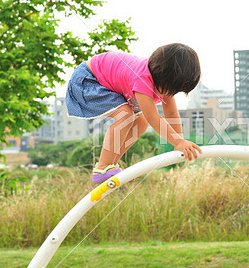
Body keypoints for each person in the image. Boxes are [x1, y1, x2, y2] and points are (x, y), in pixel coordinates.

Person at [65, 43, 203, 183]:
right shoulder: (142, 78)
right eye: (170, 89)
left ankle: (110, 164)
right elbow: (153, 117)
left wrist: (179, 142)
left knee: (140, 121)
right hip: (89, 80)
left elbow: (172, 113)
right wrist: (178, 141)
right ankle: (103, 167)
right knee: (126, 115)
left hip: (106, 81)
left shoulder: (164, 83)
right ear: (162, 76)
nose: (168, 94)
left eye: (174, 91)